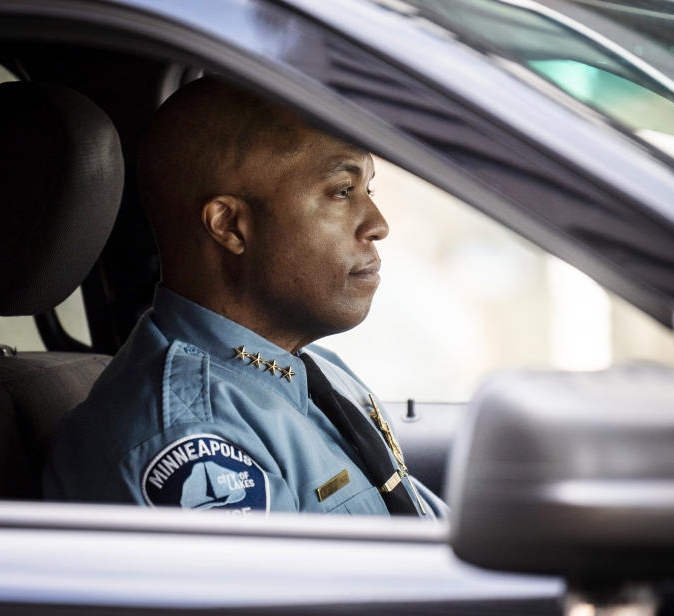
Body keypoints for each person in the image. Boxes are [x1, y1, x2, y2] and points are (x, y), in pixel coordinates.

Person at [44, 77, 445, 517]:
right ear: (231, 226)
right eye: (342, 191)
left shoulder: (314, 370)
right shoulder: (193, 439)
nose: (377, 224)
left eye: (369, 189)